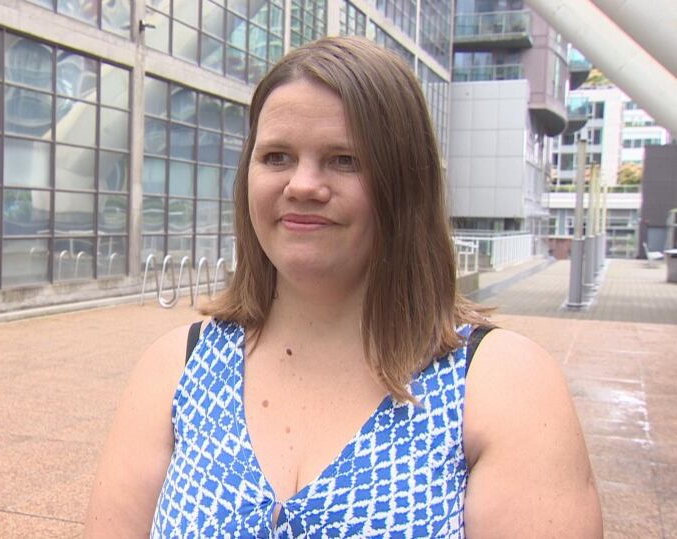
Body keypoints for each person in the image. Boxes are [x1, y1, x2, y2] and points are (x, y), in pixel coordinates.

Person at [85, 37, 602, 538]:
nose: (303, 185)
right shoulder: (176, 369)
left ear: (404, 184)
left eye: (344, 159)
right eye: (277, 157)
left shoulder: (500, 386)